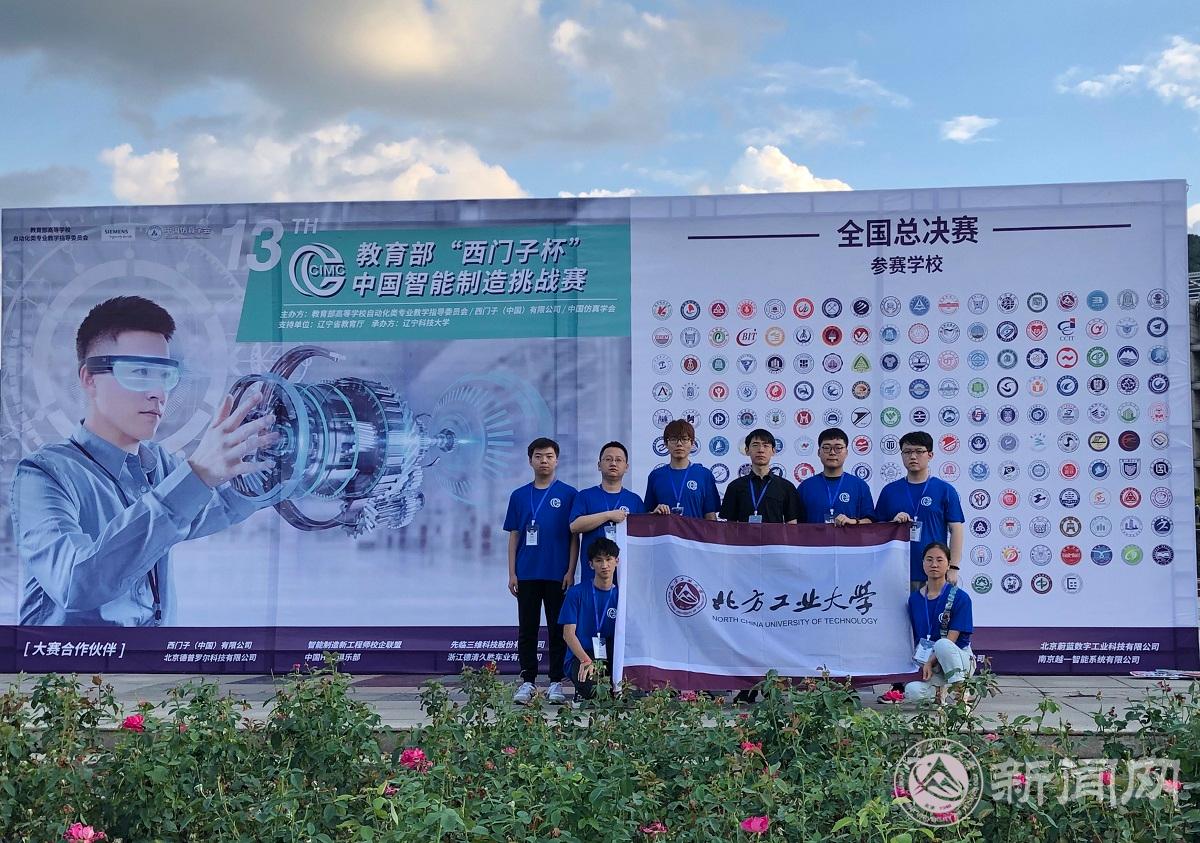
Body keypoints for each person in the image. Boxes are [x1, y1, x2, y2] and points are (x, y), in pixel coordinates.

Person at [13, 296, 277, 626]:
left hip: (154, 657)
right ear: (89, 378)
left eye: (164, 375)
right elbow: (74, 583)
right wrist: (197, 474)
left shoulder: (158, 466)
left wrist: (282, 463)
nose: (158, 393)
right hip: (73, 661)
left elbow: (218, 504)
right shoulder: (43, 475)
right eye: (139, 373)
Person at [873, 431, 965, 703]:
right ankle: (899, 683)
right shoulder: (891, 491)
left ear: (930, 455)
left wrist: (954, 566)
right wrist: (893, 522)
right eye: (907, 452)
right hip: (897, 573)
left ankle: (945, 682)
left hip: (933, 574)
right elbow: (876, 530)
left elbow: (956, 529)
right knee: (900, 629)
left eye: (919, 451)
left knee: (938, 628)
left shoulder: (944, 490)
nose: (913, 456)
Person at [504, 437, 578, 705]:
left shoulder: (569, 494)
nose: (544, 461)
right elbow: (514, 536)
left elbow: (574, 536)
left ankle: (556, 681)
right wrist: (512, 573)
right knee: (528, 629)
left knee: (558, 629)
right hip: (527, 573)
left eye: (549, 456)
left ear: (556, 460)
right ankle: (528, 681)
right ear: (530, 461)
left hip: (558, 574)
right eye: (538, 456)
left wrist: (571, 570)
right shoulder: (519, 495)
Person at [903, 542, 975, 704]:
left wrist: (930, 661)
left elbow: (951, 640)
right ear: (923, 564)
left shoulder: (961, 597)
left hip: (957, 659)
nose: (934, 564)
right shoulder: (914, 599)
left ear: (948, 564)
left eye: (939, 560)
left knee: (942, 644)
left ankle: (960, 692)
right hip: (932, 665)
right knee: (912, 691)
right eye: (929, 560)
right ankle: (941, 691)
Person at [569, 441, 643, 576]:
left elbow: (645, 534)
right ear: (599, 465)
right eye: (608, 459)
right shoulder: (585, 495)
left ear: (626, 467)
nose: (613, 463)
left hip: (625, 573)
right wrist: (608, 515)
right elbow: (574, 526)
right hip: (593, 571)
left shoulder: (634, 500)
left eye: (618, 460)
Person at [560, 536, 620, 701]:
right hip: (583, 654)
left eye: (609, 559)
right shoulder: (576, 593)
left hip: (612, 654)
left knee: (629, 691)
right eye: (599, 560)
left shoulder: (622, 596)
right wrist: (585, 660)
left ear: (617, 561)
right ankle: (581, 690)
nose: (604, 565)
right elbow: (568, 634)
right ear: (591, 564)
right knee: (593, 690)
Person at [718, 429, 801, 524]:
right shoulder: (735, 486)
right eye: (755, 445)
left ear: (773, 451)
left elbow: (792, 524)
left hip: (774, 535)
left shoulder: (786, 487)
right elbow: (730, 526)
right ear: (747, 450)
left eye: (766, 445)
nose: (761, 450)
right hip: (744, 535)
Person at [644, 419, 720, 519]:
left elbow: (710, 516)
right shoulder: (656, 476)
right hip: (665, 530)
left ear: (692, 443)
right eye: (673, 439)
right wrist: (655, 513)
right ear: (666, 444)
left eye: (684, 439)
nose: (679, 444)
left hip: (695, 530)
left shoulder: (704, 475)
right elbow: (647, 515)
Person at [797, 427, 874, 525]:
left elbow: (871, 522)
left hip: (849, 536)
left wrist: (854, 521)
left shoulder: (860, 486)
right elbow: (796, 525)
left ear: (846, 452)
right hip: (815, 536)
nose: (832, 452)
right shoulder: (806, 487)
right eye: (826, 448)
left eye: (838, 448)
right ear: (819, 452)